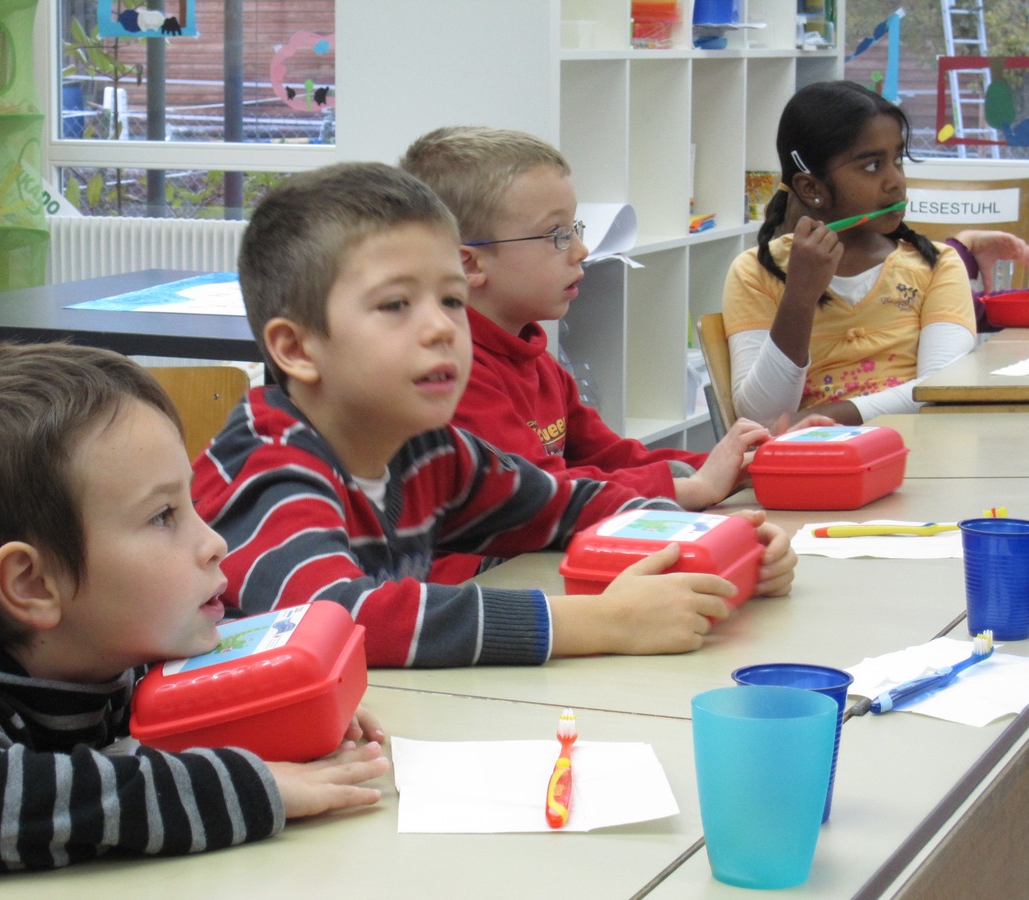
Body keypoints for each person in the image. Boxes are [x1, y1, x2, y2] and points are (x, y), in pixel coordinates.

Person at [191, 161, 797, 671]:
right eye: (396, 304)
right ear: (296, 350)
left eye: (451, 299)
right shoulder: (269, 466)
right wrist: (599, 621)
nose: (441, 328)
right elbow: (336, 617)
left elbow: (567, 505)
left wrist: (715, 543)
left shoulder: (426, 446)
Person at [0, 343, 388, 878]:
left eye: (191, 505)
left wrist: (284, 713)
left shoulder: (119, 636)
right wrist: (246, 786)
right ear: (34, 584)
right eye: (162, 517)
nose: (214, 544)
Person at [399, 125, 814, 582]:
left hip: (541, 552)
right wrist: (692, 488)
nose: (580, 250)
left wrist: (740, 464)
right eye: (555, 235)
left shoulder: (532, 355)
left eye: (573, 229)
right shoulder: (457, 374)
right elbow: (543, 501)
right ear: (470, 264)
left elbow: (616, 457)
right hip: (489, 575)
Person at [722, 80, 980, 426]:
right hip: (810, 468)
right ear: (811, 187)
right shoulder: (754, 272)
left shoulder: (937, 265)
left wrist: (827, 415)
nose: (895, 182)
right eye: (872, 166)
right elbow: (761, 417)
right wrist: (799, 295)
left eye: (898, 160)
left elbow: (942, 391)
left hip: (915, 456)